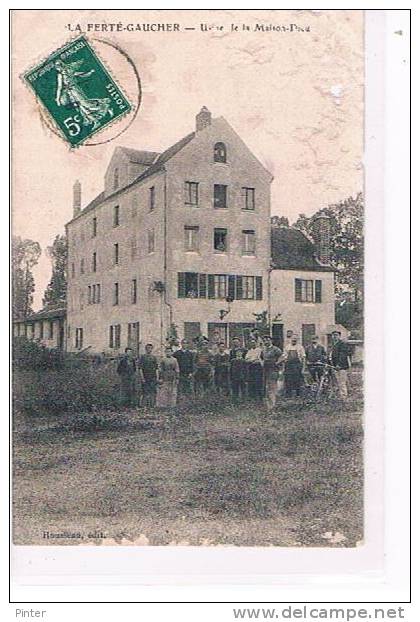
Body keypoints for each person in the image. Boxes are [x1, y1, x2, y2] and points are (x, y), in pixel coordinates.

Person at [262, 335, 283, 411]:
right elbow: (262, 358)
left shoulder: (275, 349)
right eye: (264, 340)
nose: (266, 342)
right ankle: (269, 406)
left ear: (271, 341)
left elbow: (282, 357)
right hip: (265, 370)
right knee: (266, 388)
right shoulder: (264, 350)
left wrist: (277, 363)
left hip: (273, 370)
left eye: (267, 340)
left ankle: (273, 405)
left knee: (272, 387)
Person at [330, 330, 351, 399]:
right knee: (338, 381)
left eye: (336, 335)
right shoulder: (334, 344)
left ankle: (344, 396)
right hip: (335, 366)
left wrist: (339, 364)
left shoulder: (342, 344)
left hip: (341, 367)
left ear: (339, 336)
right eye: (333, 335)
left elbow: (343, 355)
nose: (334, 337)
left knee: (342, 382)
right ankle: (341, 395)